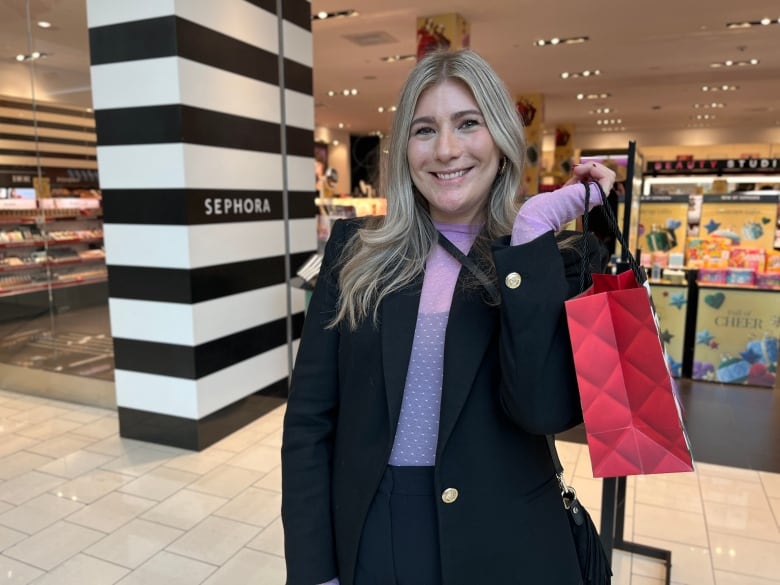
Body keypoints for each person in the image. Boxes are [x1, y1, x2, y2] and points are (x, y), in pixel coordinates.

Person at [282, 48, 616, 585]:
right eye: (423, 130)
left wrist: (530, 233)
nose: (446, 150)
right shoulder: (355, 252)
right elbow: (308, 425)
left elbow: (542, 409)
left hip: (505, 542)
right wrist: (312, 569)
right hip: (375, 532)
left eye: (468, 124)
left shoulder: (558, 260)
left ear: (502, 139)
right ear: (403, 149)